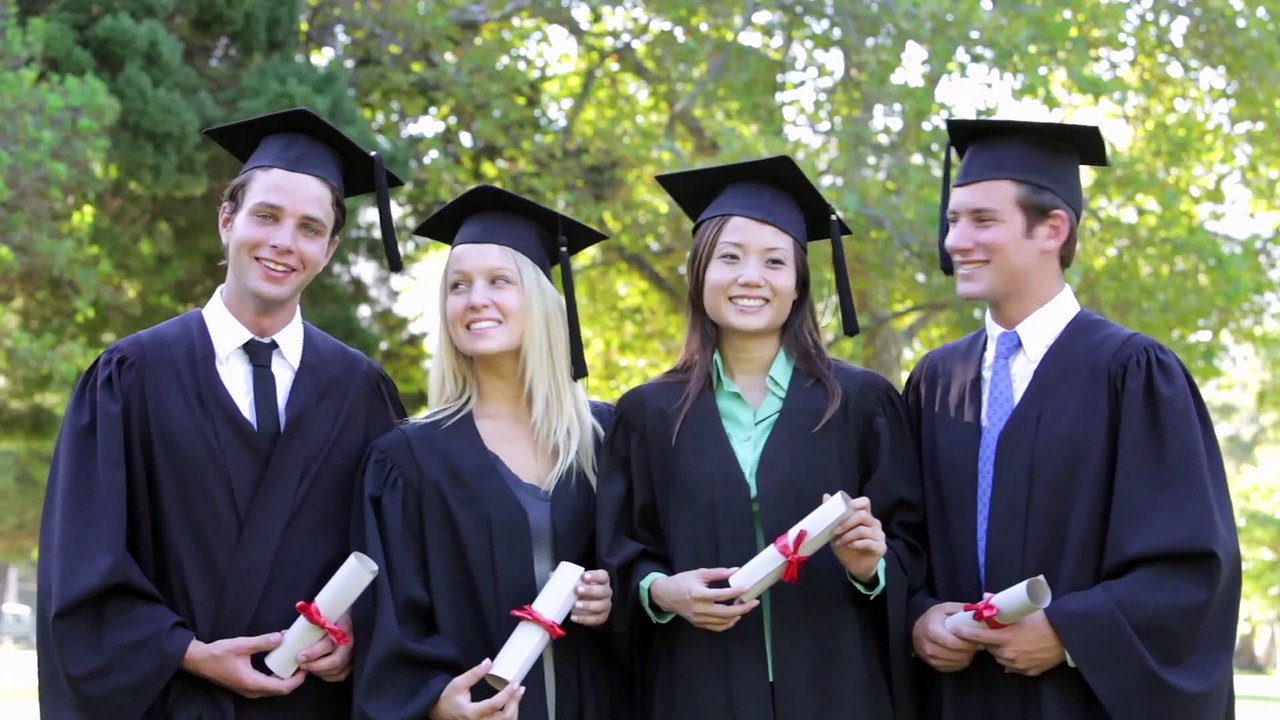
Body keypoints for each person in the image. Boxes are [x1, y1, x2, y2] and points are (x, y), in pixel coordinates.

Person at [36, 107, 409, 719]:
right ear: (226, 220)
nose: (283, 241)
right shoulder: (131, 376)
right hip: (170, 701)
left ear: (329, 249)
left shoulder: (362, 392)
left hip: (309, 707)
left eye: (309, 228)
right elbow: (80, 562)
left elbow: (397, 554)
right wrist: (186, 652)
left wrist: (357, 628)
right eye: (266, 216)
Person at [904, 118, 1241, 719]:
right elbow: (903, 536)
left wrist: (1071, 633)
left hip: (1077, 702)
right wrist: (920, 615)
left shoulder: (1132, 373)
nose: (956, 240)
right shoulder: (936, 380)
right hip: (956, 701)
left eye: (983, 220)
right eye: (953, 221)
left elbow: (1190, 565)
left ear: (1052, 229)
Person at [597, 155, 926, 720]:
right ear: (699, 273)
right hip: (697, 689)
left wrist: (871, 567)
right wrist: (662, 591)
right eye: (729, 257)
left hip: (839, 688)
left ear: (797, 284)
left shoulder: (862, 403)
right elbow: (620, 551)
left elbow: (913, 548)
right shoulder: (647, 414)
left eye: (775, 261)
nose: (751, 276)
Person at [353, 184, 622, 720]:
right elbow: (390, 621)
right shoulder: (408, 460)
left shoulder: (607, 437)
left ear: (542, 299)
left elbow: (651, 568)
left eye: (500, 281)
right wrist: (435, 701)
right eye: (458, 285)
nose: (476, 299)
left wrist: (614, 598)